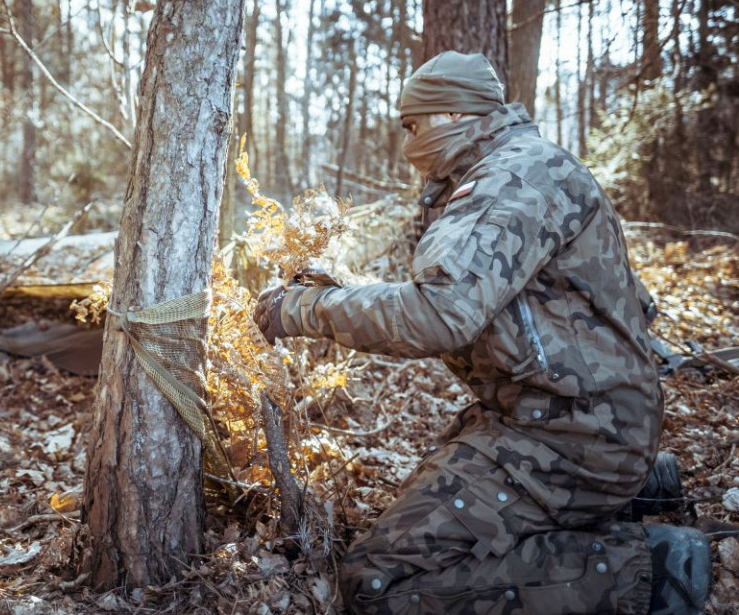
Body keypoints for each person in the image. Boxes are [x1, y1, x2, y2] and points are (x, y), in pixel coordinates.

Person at [254, 51, 709, 615]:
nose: (408, 142)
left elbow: (440, 314)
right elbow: (466, 294)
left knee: (377, 581)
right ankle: (639, 487)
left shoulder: (509, 180)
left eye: (414, 125)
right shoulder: (513, 168)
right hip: (565, 419)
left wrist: (303, 311)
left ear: (453, 113)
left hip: (573, 437)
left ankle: (648, 569)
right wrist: (342, 290)